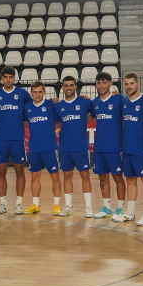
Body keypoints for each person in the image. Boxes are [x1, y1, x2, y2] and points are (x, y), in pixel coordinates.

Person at [0, 68, 30, 215]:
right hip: (1, 139)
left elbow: (31, 108)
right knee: (1, 171)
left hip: (17, 139)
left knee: (20, 171)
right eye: (5, 77)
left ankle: (19, 204)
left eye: (11, 77)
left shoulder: (22, 94)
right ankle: (3, 204)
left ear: (15, 78)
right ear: (2, 79)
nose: (8, 80)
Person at [54, 76, 94, 217]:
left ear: (75, 86)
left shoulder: (85, 102)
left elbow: (96, 111)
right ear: (62, 88)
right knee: (67, 176)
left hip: (81, 148)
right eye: (66, 85)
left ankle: (89, 209)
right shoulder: (58, 106)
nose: (69, 87)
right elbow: (56, 122)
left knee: (85, 177)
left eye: (71, 85)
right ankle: (68, 207)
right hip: (65, 148)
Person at [23, 82, 63, 215]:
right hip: (34, 148)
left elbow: (61, 119)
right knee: (34, 177)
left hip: (50, 148)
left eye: (40, 92)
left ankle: (56, 206)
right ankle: (35, 205)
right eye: (34, 92)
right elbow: (23, 122)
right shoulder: (27, 107)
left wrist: (57, 129)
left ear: (44, 92)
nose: (37, 94)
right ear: (31, 93)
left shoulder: (51, 105)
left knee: (55, 177)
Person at [91, 72, 126, 221]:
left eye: (104, 82)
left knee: (118, 178)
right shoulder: (94, 103)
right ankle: (106, 207)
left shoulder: (119, 100)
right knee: (102, 178)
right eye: (99, 83)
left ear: (110, 84)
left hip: (115, 148)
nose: (101, 85)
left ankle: (120, 208)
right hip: (99, 148)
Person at [122, 73, 143, 224]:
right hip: (128, 150)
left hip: (142, 150)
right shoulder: (124, 102)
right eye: (126, 84)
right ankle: (130, 213)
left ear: (137, 84)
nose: (129, 86)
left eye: (131, 83)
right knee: (130, 181)